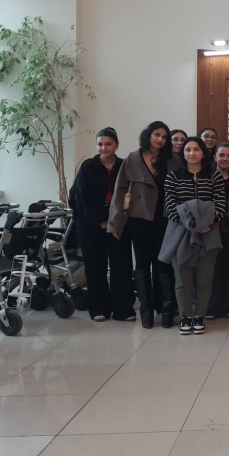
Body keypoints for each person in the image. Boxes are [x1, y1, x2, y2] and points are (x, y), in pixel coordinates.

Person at [108, 121, 181, 328]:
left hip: (166, 220)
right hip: (139, 219)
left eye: (164, 137)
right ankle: (146, 309)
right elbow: (120, 192)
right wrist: (116, 223)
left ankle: (165, 307)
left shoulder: (173, 160)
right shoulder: (132, 158)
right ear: (148, 135)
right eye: (157, 134)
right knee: (142, 264)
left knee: (163, 264)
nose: (160, 139)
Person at [161, 137, 226, 335]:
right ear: (183, 153)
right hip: (180, 234)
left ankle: (199, 316)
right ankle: (186, 316)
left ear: (203, 153)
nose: (192, 153)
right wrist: (192, 225)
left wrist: (205, 224)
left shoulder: (214, 176)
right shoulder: (173, 176)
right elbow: (170, 206)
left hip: (209, 233)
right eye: (188, 149)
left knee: (204, 280)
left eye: (196, 149)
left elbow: (220, 205)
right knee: (183, 281)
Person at [69, 127, 133, 322]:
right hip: (91, 224)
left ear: (117, 145)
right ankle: (98, 308)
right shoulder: (88, 167)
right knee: (95, 266)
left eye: (108, 144)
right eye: (100, 144)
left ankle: (123, 310)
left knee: (121, 266)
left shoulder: (124, 166)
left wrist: (116, 223)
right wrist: (102, 221)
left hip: (119, 224)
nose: (103, 148)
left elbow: (130, 196)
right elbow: (82, 198)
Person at [208, 142, 229, 319]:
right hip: (212, 229)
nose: (225, 159)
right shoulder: (208, 178)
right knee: (213, 269)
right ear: (215, 157)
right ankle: (213, 307)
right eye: (221, 155)